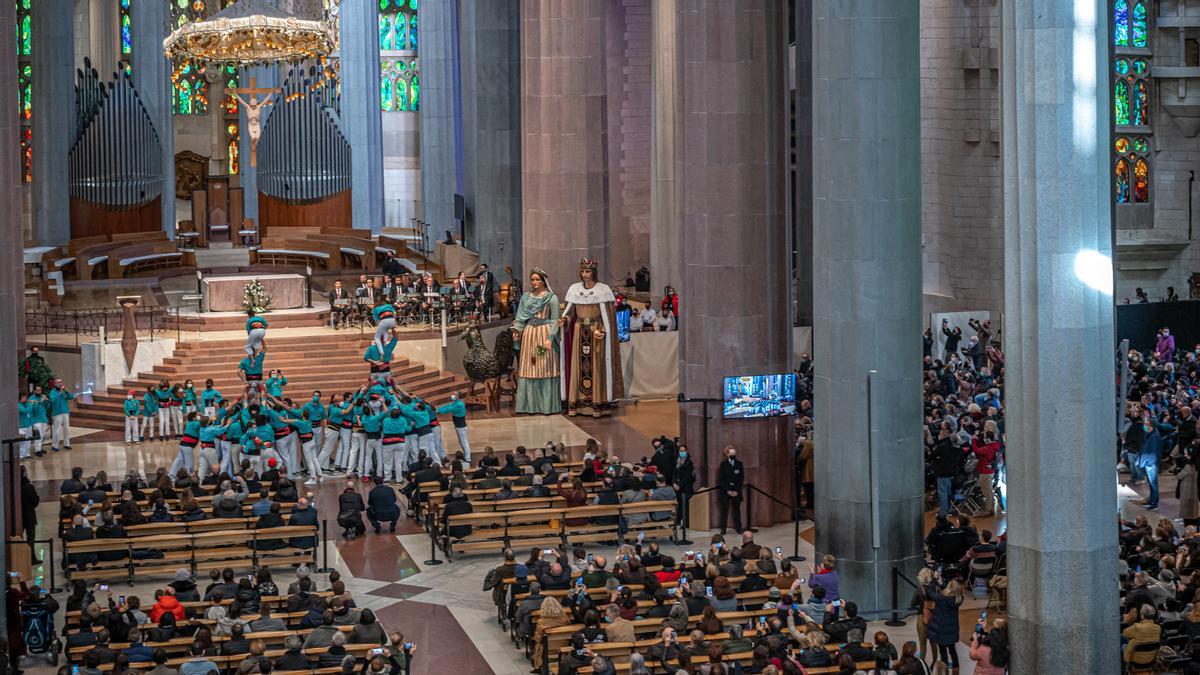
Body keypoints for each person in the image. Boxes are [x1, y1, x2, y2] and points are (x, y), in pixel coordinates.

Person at [559, 257, 625, 417]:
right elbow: (570, 313)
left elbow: (607, 318)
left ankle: (598, 401)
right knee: (578, 367)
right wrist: (565, 320)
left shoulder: (603, 290)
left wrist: (602, 330)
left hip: (595, 332)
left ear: (593, 272)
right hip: (579, 331)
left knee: (596, 366)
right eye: (582, 271)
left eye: (587, 271)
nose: (585, 274)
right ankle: (577, 402)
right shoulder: (574, 289)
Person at [512, 268, 562, 414]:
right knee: (529, 366)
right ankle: (529, 405)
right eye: (532, 279)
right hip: (529, 334)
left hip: (544, 333)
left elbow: (554, 320)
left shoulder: (551, 297)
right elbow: (520, 318)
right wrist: (516, 331)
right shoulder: (526, 297)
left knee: (544, 367)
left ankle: (546, 405)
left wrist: (550, 338)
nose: (534, 282)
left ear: (543, 281)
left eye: (537, 279)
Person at [716, 446, 744, 534]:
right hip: (726, 491)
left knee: (737, 510)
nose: (733, 455)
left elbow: (741, 479)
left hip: (736, 491)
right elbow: (721, 479)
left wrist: (736, 490)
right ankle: (723, 529)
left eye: (734, 453)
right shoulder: (723, 464)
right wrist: (728, 490)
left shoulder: (739, 464)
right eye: (731, 454)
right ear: (727, 454)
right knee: (724, 510)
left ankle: (739, 528)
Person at [48, 378, 75, 452]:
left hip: (65, 411)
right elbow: (53, 400)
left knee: (67, 429)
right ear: (55, 384)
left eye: (61, 382)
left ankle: (66, 444)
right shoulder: (52, 392)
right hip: (57, 413)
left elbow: (71, 397)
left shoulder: (64, 391)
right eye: (58, 382)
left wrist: (67, 392)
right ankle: (55, 445)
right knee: (56, 430)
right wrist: (59, 393)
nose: (60, 383)